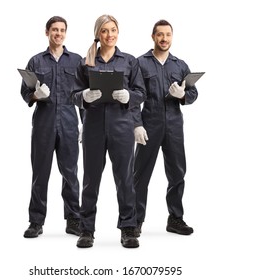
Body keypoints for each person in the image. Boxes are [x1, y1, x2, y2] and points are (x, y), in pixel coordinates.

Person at [71, 14, 146, 248]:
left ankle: (128, 229)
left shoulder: (129, 61)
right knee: (90, 180)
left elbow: (141, 93)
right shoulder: (86, 63)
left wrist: (129, 96)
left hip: (122, 126)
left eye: (113, 30)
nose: (109, 35)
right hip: (93, 126)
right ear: (98, 34)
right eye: (104, 31)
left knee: (124, 179)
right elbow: (73, 94)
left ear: (118, 32)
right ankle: (86, 230)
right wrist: (83, 97)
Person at [133, 19, 198, 237]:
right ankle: (135, 220)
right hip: (149, 124)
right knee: (140, 175)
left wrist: (183, 96)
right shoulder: (140, 64)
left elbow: (193, 93)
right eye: (160, 34)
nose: (164, 39)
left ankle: (175, 218)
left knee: (177, 172)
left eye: (168, 35)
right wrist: (136, 125)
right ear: (153, 36)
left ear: (172, 37)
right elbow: (132, 99)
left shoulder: (180, 65)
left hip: (174, 126)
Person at [20, 16, 82, 238]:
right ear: (47, 32)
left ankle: (74, 219)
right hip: (44, 123)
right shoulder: (36, 62)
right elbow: (25, 92)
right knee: (40, 173)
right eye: (54, 30)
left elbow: (83, 95)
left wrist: (86, 123)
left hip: (68, 123)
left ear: (66, 33)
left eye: (62, 30)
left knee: (70, 172)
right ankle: (36, 221)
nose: (58, 33)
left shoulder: (76, 61)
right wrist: (36, 95)